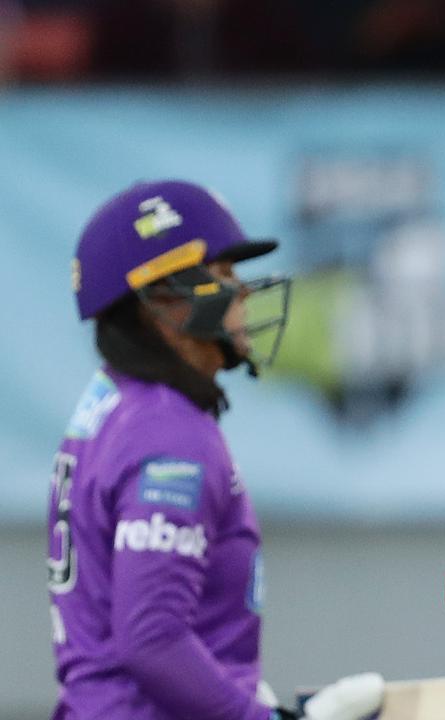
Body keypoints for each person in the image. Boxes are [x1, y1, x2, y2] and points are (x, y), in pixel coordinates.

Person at [47, 180, 381, 720]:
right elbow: (151, 639)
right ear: (164, 298)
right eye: (224, 274)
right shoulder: (168, 433)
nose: (245, 293)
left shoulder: (111, 407)